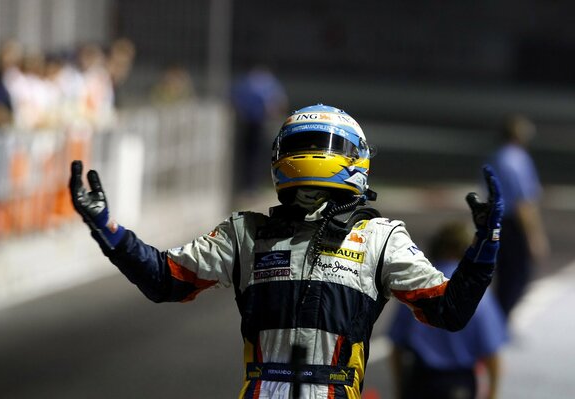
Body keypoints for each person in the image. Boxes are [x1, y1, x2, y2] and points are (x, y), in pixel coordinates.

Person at [69, 104, 503, 399]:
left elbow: (449, 311)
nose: (313, 153)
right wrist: (107, 229)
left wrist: (486, 243)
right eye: (304, 143)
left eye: (321, 143)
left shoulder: (379, 236)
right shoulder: (246, 232)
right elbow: (165, 280)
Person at [387, 220, 508, 399]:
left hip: (419, 381)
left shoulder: (417, 285)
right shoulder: (479, 293)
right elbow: (492, 353)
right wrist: (492, 394)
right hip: (458, 385)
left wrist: (400, 389)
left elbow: (397, 346)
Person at [489, 114, 549, 319]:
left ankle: (498, 322)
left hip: (497, 220)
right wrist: (534, 236)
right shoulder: (517, 159)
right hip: (514, 223)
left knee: (504, 275)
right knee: (517, 275)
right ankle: (499, 322)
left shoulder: (498, 156)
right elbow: (524, 202)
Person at [230, 64, 288, 198]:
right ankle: (251, 186)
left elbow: (235, 99)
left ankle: (249, 185)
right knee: (254, 155)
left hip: (249, 123)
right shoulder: (267, 83)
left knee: (249, 155)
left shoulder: (248, 82)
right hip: (256, 123)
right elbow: (278, 102)